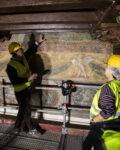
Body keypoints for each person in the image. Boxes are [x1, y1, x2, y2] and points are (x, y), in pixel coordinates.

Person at [6, 34, 45, 135]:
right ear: (14, 53)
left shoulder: (22, 57)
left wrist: (38, 42)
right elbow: (15, 81)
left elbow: (31, 51)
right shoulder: (10, 66)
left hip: (27, 88)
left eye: (21, 49)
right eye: (19, 50)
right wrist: (29, 78)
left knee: (22, 109)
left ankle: (17, 127)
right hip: (20, 91)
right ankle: (31, 129)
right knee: (27, 110)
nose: (21, 51)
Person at [83, 54, 120, 150]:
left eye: (107, 66)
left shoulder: (108, 88)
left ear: (111, 70)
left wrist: (94, 120)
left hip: (102, 126)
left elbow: (107, 111)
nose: (106, 68)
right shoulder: (118, 86)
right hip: (116, 125)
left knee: (88, 146)